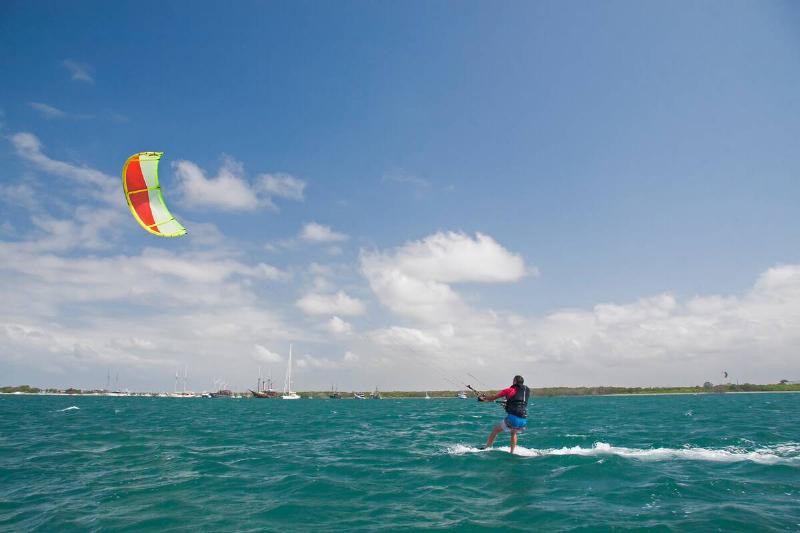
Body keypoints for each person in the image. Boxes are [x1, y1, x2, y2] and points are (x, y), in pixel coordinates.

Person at [479, 375, 530, 454]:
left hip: (513, 418)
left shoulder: (510, 390)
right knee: (513, 433)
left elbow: (493, 397)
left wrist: (484, 399)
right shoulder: (527, 390)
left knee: (495, 430)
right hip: (523, 419)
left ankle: (486, 447)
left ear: (515, 381)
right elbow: (517, 401)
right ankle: (512, 452)